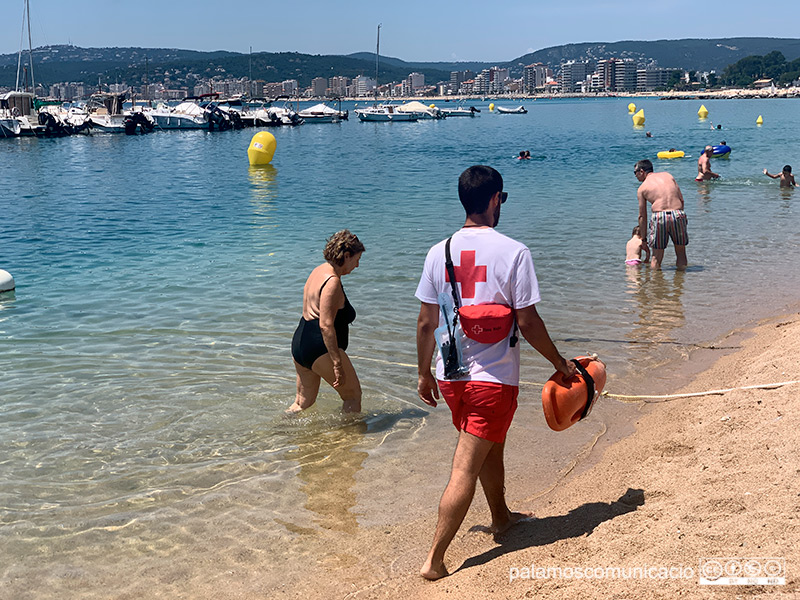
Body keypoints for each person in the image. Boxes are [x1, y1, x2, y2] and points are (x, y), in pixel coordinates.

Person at [415, 165, 577, 580]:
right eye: (501, 199)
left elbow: (425, 323)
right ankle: (434, 559)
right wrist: (560, 364)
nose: (501, 205)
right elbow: (528, 322)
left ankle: (501, 518)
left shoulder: (439, 251)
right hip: (493, 380)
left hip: (451, 378)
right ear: (493, 200)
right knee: (466, 467)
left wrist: (423, 374)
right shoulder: (514, 251)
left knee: (491, 446)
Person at [288, 230, 365, 413]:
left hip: (301, 343)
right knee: (353, 396)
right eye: (356, 259)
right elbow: (325, 325)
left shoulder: (318, 271)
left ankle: (279, 433)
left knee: (302, 403)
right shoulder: (332, 282)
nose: (357, 265)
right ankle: (347, 440)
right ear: (346, 256)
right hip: (319, 346)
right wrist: (337, 363)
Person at [635, 159, 688, 270]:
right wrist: (682, 217)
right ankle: (680, 283)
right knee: (681, 252)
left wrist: (643, 239)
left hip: (660, 217)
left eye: (635, 172)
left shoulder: (642, 188)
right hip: (678, 213)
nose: (635, 176)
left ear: (642, 171)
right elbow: (681, 199)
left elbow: (642, 216)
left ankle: (656, 285)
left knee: (656, 257)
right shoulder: (668, 175)